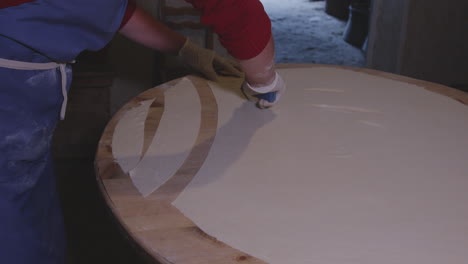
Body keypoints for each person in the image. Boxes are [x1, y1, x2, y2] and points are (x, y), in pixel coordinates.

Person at [0, 0, 286, 263]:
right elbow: (236, 9)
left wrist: (185, 48)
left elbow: (108, 7)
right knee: (12, 227)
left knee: (30, 200)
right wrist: (264, 79)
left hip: (23, 92)